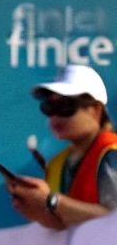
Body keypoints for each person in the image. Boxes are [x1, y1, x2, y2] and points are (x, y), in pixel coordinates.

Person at [8, 64, 117, 229]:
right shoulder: (57, 164)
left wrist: (52, 201)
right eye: (49, 107)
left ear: (95, 110)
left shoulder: (111, 153)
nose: (55, 116)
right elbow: (62, 225)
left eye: (65, 106)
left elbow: (112, 221)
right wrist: (34, 208)